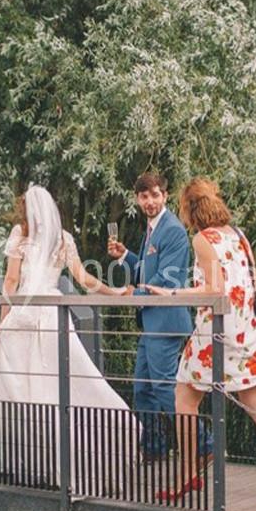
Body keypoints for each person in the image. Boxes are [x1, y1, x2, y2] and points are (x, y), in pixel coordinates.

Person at [142, 178, 256, 504]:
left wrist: (172, 291)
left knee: (184, 398)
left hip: (215, 331)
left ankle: (187, 475)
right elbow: (248, 281)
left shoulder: (202, 240)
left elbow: (213, 291)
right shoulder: (238, 235)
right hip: (248, 330)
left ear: (189, 209)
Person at [0, 185, 136, 495]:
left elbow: (11, 283)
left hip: (22, 312)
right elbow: (83, 278)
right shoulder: (63, 239)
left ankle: (23, 460)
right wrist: (115, 291)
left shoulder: (19, 236)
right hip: (52, 313)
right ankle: (68, 453)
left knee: (20, 387)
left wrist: (2, 323)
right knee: (58, 382)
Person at [106, 173, 211, 464]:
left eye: (155, 195)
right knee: (143, 388)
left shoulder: (174, 230)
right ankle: (154, 448)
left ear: (165, 195)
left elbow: (169, 280)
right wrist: (126, 254)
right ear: (137, 199)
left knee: (164, 388)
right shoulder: (152, 228)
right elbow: (147, 268)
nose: (149, 202)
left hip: (166, 321)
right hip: (151, 321)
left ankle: (205, 445)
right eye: (143, 197)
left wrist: (131, 293)